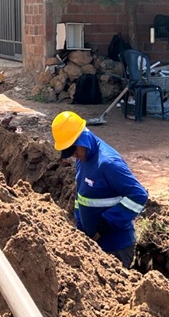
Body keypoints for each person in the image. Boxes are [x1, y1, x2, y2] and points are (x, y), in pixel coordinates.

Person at [51, 111, 148, 268]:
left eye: (74, 151)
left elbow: (139, 195)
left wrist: (106, 223)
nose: (74, 156)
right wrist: (80, 226)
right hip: (93, 245)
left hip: (115, 247)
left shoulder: (108, 163)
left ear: (82, 141)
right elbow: (82, 195)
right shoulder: (82, 158)